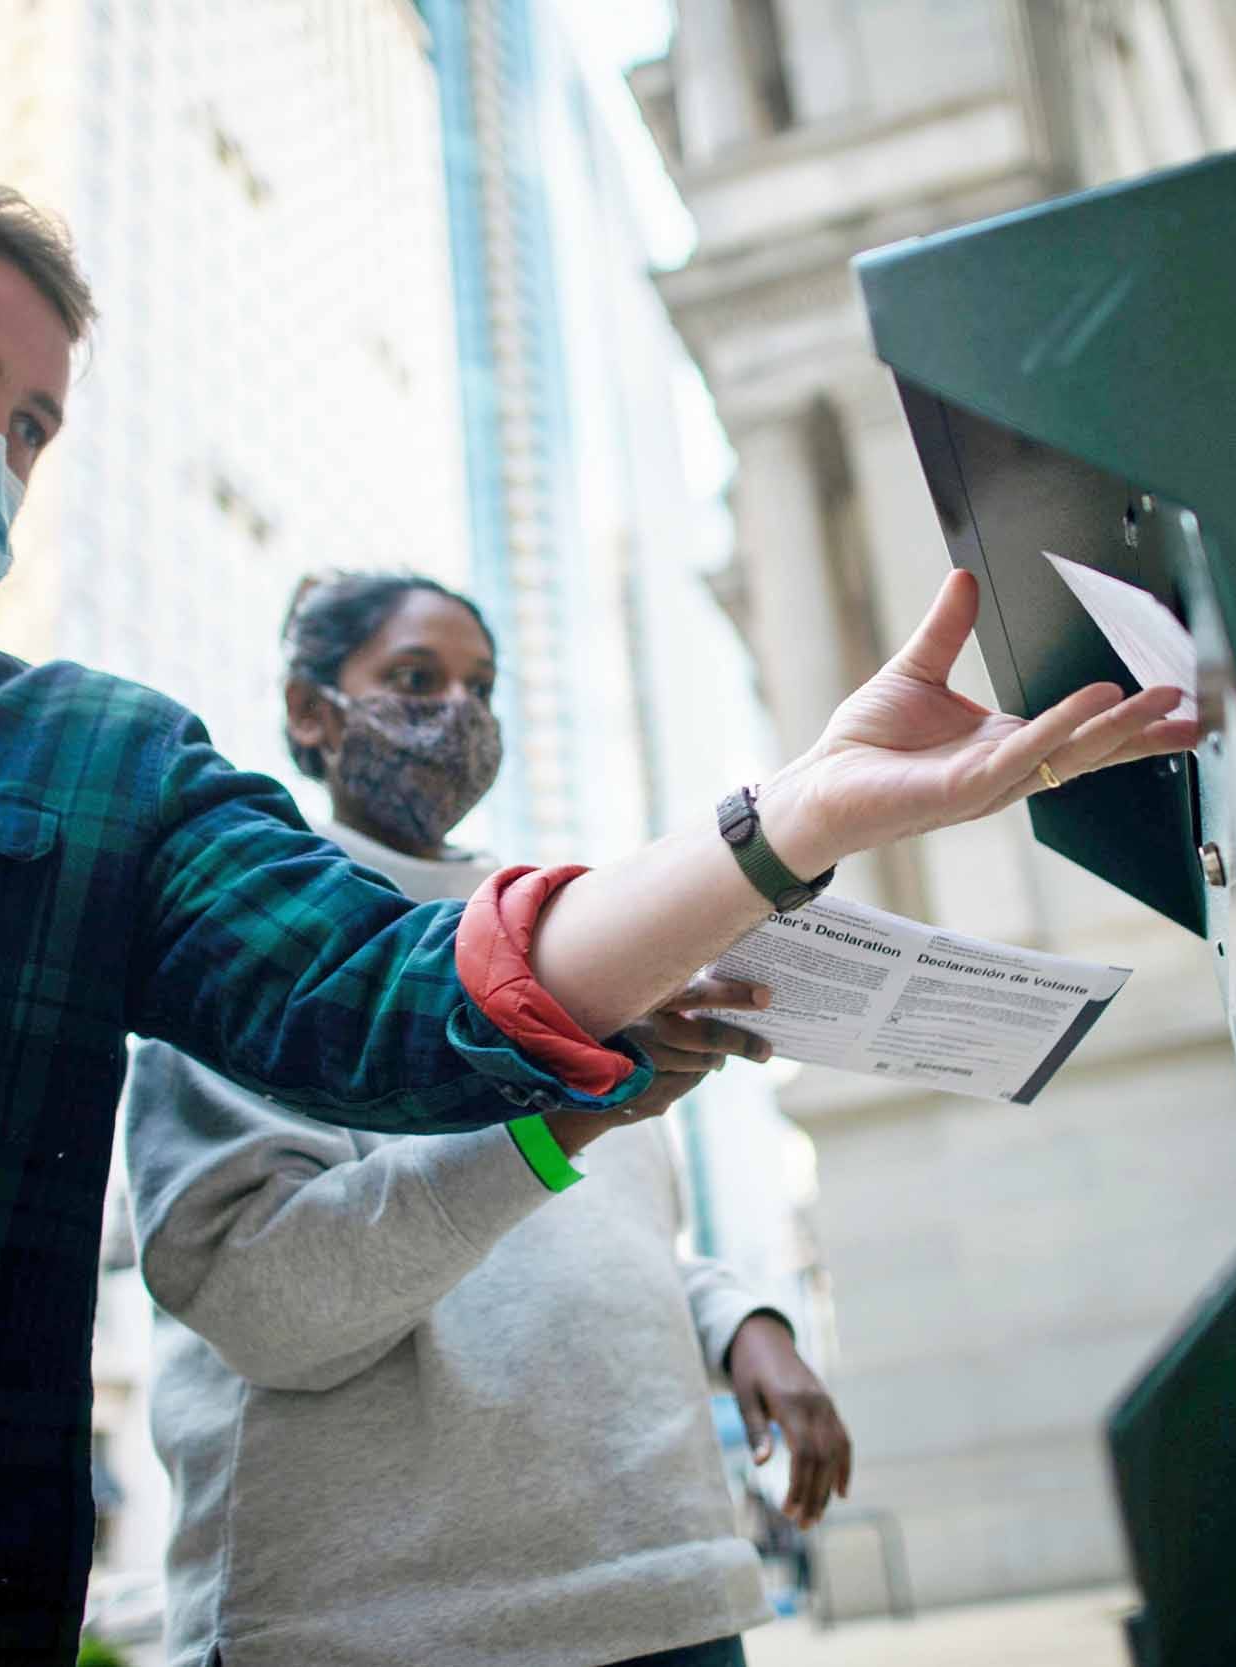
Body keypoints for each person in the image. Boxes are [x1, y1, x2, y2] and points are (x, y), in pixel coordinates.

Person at [0, 174, 1194, 1661]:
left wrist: (797, 817)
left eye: (29, 425)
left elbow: (389, 999)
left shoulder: (98, 763)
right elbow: (281, 1283)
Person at [123, 570, 851, 1667]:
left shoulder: (574, 929)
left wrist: (744, 1322)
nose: (456, 713)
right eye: (414, 678)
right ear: (309, 709)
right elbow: (267, 1301)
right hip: (383, 1627)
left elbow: (593, 1233)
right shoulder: (243, 946)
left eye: (482, 684)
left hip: (670, 1594)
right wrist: (567, 1114)